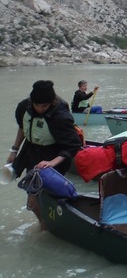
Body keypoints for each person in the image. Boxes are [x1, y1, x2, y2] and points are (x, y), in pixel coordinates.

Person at [6, 80, 83, 225]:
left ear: (52, 102)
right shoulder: (24, 107)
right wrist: (14, 150)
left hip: (53, 154)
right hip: (31, 151)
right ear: (31, 101)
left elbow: (73, 145)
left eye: (44, 106)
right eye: (37, 105)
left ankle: (48, 224)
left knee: (42, 194)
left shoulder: (61, 116)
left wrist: (51, 163)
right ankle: (45, 223)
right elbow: (23, 127)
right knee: (33, 198)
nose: (40, 109)